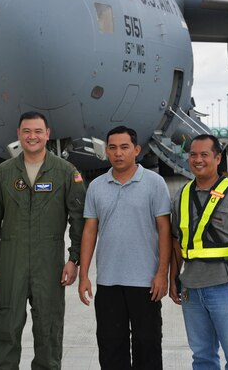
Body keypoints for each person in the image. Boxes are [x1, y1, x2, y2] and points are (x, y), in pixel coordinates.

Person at [0, 111, 86, 369]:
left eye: (38, 131)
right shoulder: (4, 173)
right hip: (11, 264)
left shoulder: (65, 172)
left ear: (48, 134)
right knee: (5, 329)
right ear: (18, 134)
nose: (32, 136)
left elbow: (79, 221)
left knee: (49, 331)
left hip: (49, 266)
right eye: (27, 131)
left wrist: (74, 259)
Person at [169, 134, 228, 370]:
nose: (198, 160)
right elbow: (177, 242)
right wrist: (174, 277)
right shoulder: (181, 195)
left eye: (204, 154)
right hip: (191, 289)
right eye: (193, 155)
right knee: (202, 357)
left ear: (217, 158)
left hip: (225, 287)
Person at [78, 126, 172, 370]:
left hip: (146, 283)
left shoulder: (155, 183)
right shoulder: (97, 186)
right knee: (111, 350)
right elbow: (89, 231)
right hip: (108, 283)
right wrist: (84, 274)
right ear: (106, 151)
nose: (118, 153)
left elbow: (164, 230)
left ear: (136, 150)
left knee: (148, 349)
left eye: (124, 147)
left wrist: (163, 274)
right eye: (112, 148)